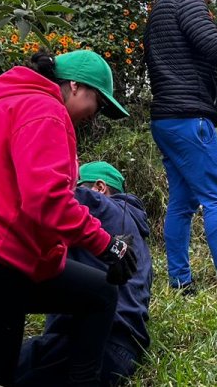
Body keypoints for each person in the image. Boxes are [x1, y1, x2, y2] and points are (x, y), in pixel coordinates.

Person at [0, 50, 138, 387]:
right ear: (75, 86)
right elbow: (46, 201)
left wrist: (58, 258)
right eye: (97, 101)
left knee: (97, 293)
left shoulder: (21, 105)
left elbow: (30, 210)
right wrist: (106, 245)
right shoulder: (45, 109)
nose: (95, 114)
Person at [143, 0, 217, 290]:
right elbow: (216, 46)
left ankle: (180, 281)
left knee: (182, 203)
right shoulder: (187, 2)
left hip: (165, 119)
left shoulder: (159, 9)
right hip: (190, 117)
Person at [15, 161, 152, 387]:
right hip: (124, 351)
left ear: (99, 187)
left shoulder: (99, 205)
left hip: (89, 343)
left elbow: (48, 197)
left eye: (76, 185)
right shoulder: (136, 236)